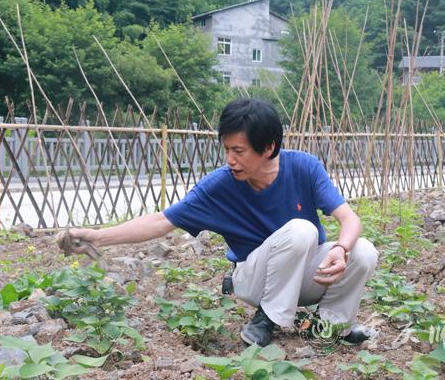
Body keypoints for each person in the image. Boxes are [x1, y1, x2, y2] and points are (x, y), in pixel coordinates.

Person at [63, 98, 378, 347]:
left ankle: (330, 326)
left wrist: (340, 249)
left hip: (301, 278)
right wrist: (98, 237)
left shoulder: (304, 167)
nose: (230, 159)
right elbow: (161, 221)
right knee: (302, 229)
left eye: (238, 151)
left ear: (268, 147)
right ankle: (267, 319)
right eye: (227, 149)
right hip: (254, 279)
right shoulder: (220, 186)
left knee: (362, 250)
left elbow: (349, 219)